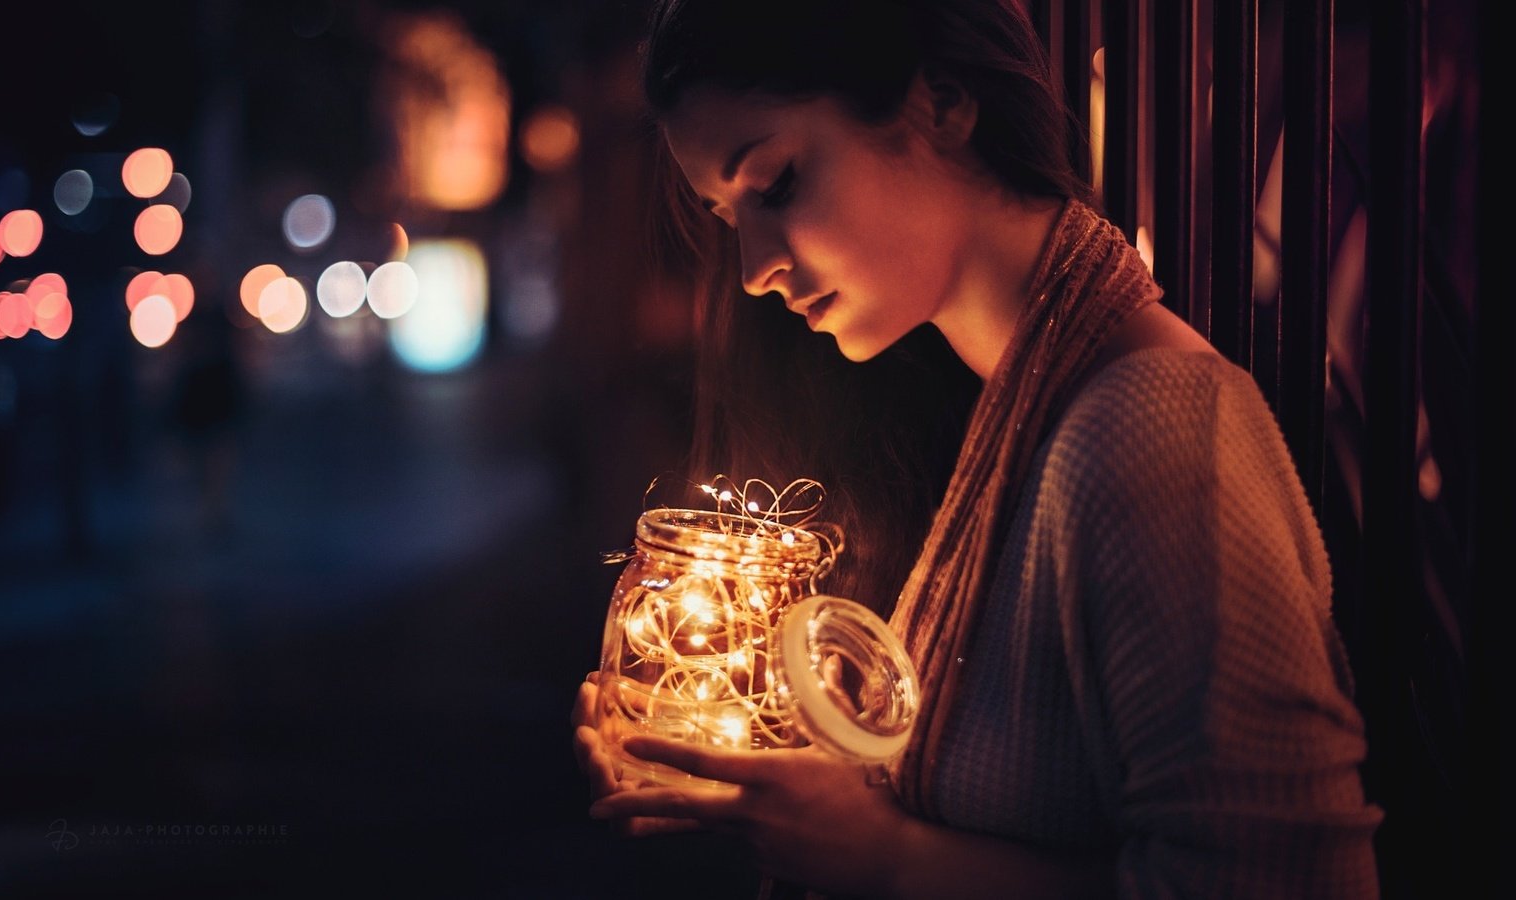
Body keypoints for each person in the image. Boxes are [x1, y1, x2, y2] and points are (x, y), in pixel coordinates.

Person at [572, 0, 1384, 897]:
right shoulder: (991, 415)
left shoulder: (1155, 428)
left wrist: (887, 861)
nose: (755, 267)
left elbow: (1291, 881)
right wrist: (763, 782)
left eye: (777, 184)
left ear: (945, 104)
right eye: (729, 221)